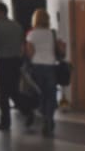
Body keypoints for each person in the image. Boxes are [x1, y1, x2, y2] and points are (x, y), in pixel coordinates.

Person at [0, 2, 32, 130]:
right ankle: (27, 110)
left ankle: (5, 122)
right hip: (16, 62)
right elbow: (22, 45)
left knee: (3, 94)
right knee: (14, 91)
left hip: (4, 63)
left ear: (1, 12)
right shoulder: (17, 26)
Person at [25, 9, 65, 137]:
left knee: (39, 94)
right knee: (51, 95)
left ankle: (43, 115)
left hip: (36, 67)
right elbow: (62, 49)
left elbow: (30, 53)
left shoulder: (31, 34)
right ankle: (49, 119)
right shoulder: (53, 33)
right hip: (50, 67)